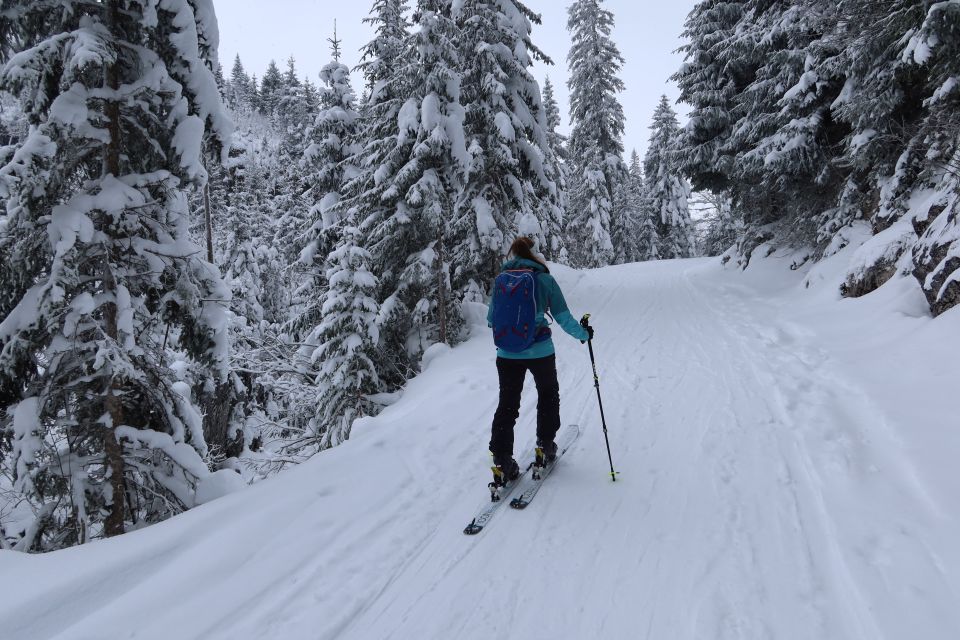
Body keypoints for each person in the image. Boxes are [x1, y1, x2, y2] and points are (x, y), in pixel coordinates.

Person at [486, 237, 592, 481]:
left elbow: (491, 319)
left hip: (506, 353)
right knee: (548, 394)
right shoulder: (545, 279)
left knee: (507, 404)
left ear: (513, 255)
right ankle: (545, 444)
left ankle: (502, 459)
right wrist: (584, 334)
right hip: (540, 351)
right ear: (535, 255)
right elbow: (563, 318)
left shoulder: (501, 280)